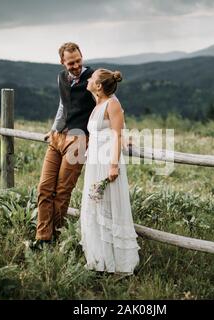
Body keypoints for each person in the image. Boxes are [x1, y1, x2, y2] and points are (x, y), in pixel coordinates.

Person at [79, 68, 140, 274]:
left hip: (107, 163)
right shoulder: (98, 103)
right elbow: (97, 132)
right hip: (94, 162)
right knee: (95, 206)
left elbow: (117, 136)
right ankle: (100, 260)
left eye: (92, 78)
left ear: (98, 85)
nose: (88, 79)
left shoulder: (113, 104)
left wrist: (113, 166)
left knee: (109, 207)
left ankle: (118, 263)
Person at [34, 42, 96, 246]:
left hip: (79, 139)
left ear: (82, 57)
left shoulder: (93, 77)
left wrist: (119, 133)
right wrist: (53, 129)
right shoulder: (61, 78)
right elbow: (63, 106)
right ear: (62, 62)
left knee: (62, 191)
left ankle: (55, 236)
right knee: (44, 187)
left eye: (78, 61)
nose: (76, 65)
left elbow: (108, 103)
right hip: (58, 138)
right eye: (71, 63)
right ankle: (42, 237)